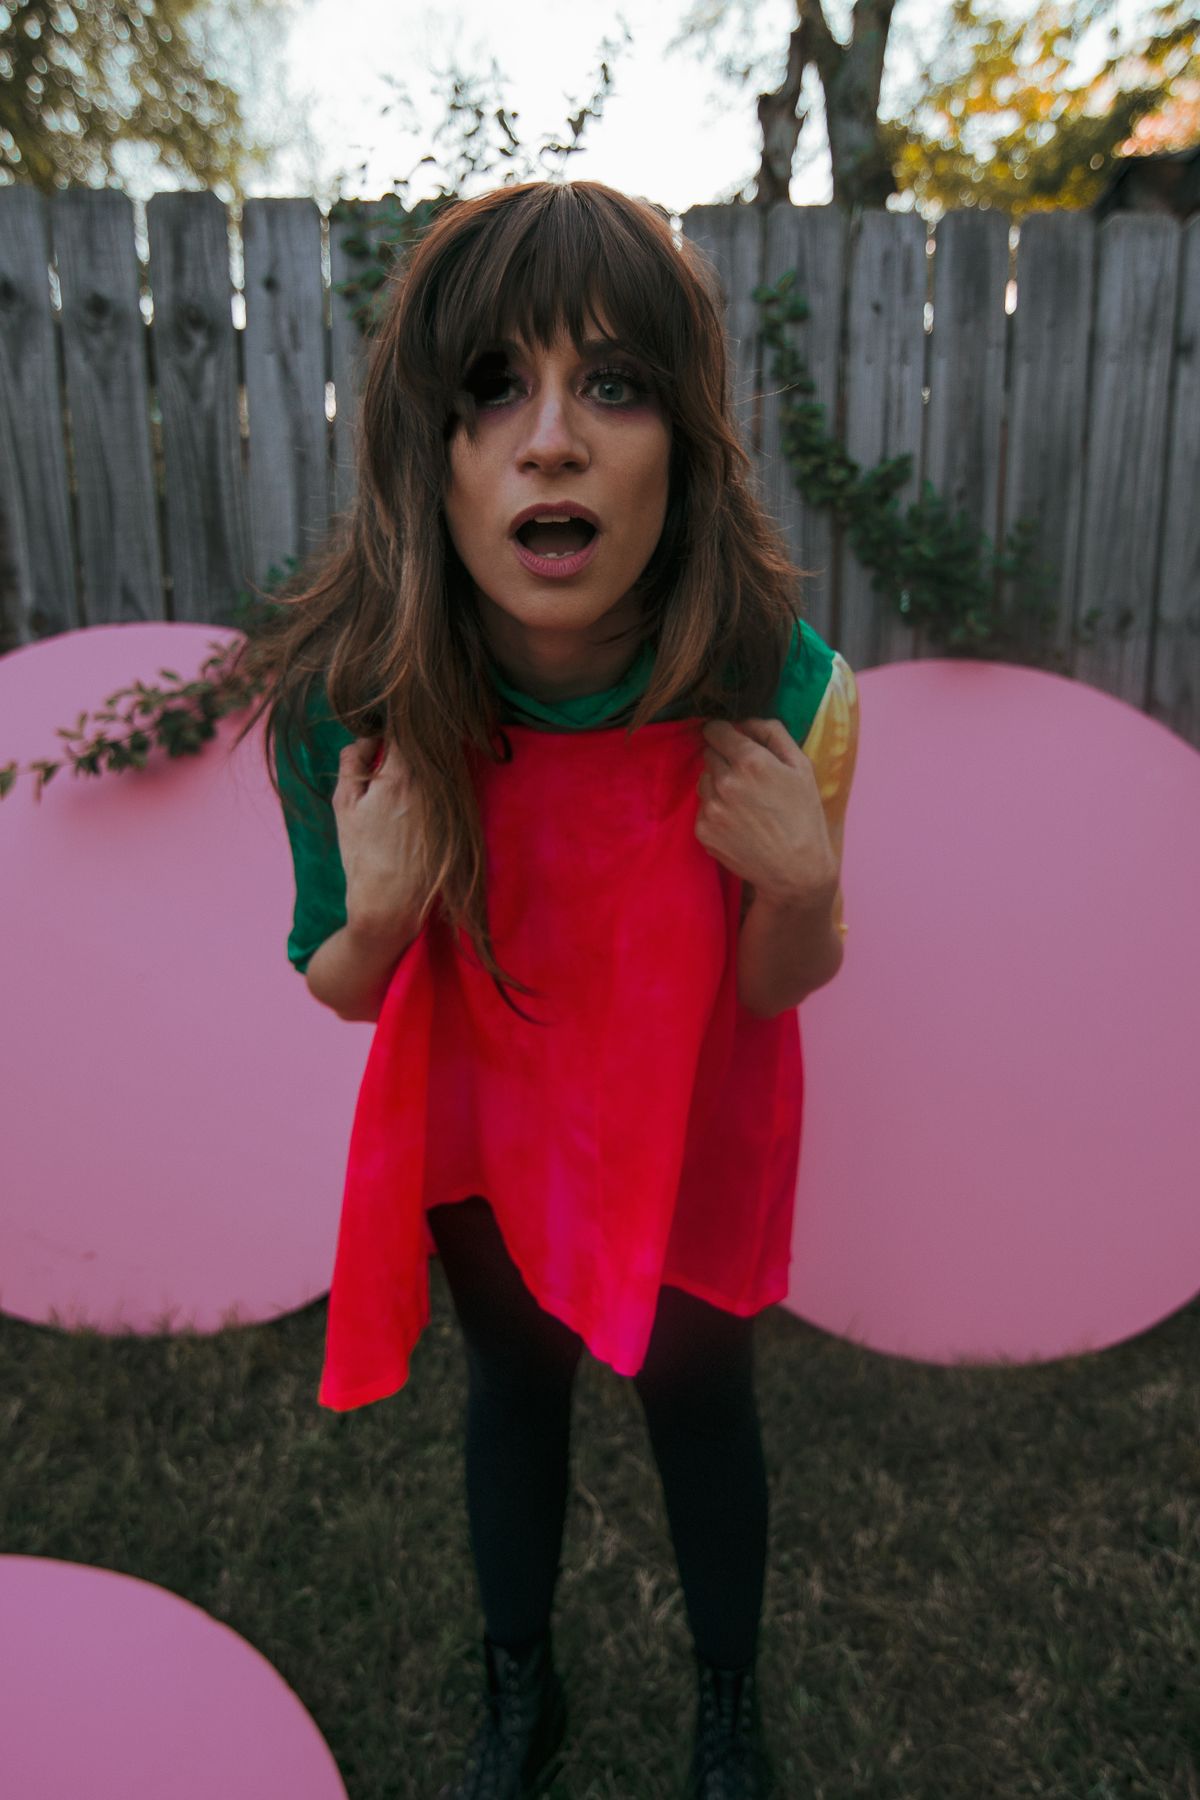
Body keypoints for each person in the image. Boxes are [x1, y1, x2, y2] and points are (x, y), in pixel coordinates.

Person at [233, 179, 859, 1800]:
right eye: (493, 387)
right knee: (518, 1388)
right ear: (425, 456)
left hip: (695, 1110)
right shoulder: (352, 706)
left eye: (616, 385)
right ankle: (525, 1694)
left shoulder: (785, 688)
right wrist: (374, 916)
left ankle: (731, 1708)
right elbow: (341, 982)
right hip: (489, 1123)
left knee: (699, 1406)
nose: (554, 439)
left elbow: (784, 979)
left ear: (684, 444)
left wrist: (804, 883)